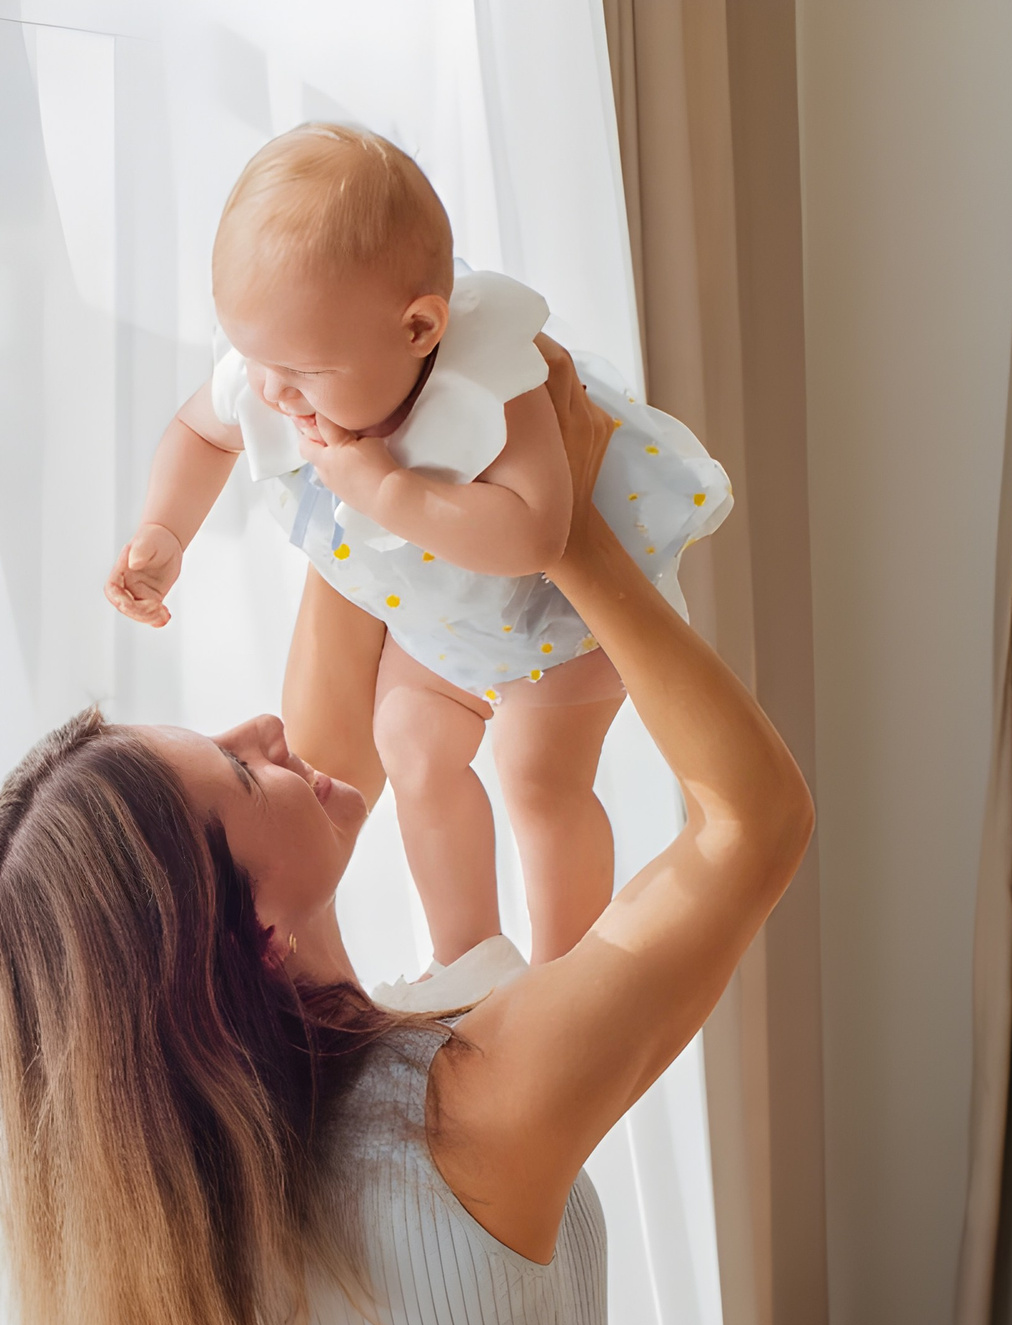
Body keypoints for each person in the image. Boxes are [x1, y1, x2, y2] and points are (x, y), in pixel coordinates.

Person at [0, 473, 808, 1325]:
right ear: (253, 938)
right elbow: (753, 820)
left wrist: (358, 447)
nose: (265, 732)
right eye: (238, 771)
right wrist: (563, 532)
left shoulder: (184, 1186)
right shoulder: (466, 1112)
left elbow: (321, 752)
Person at [105, 122, 729, 1009]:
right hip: (442, 618)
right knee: (411, 740)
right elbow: (198, 431)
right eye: (255, 359)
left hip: (554, 622)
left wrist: (384, 488)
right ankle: (467, 958)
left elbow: (536, 534)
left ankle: (564, 985)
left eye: (305, 372)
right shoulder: (274, 367)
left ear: (417, 327)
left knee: (535, 774)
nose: (276, 394)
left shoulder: (489, 381)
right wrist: (164, 532)